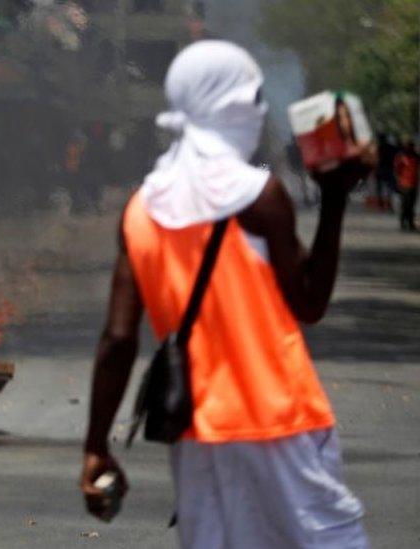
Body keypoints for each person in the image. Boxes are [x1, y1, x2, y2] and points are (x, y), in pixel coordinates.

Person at [80, 41, 372, 548]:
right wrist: (334, 201)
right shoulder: (258, 196)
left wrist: (95, 448)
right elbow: (310, 303)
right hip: (282, 420)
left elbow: (117, 339)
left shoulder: (140, 209)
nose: (260, 109)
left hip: (196, 434)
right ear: (234, 104)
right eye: (254, 96)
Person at [394, 138, 418, 231]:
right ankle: (403, 222)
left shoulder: (416, 156)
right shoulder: (401, 157)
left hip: (413, 183)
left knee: (411, 204)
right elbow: (397, 169)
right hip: (404, 184)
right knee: (405, 204)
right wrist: (399, 180)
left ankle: (410, 223)